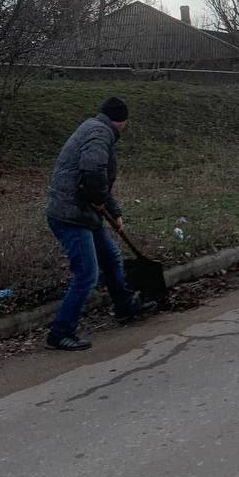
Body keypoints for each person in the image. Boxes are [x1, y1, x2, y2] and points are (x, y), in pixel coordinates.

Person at [45, 97, 156, 351]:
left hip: (82, 212)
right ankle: (59, 333)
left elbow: (100, 181)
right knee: (87, 275)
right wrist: (97, 199)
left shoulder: (94, 127)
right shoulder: (100, 134)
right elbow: (93, 172)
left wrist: (114, 212)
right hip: (70, 216)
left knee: (111, 257)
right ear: (122, 121)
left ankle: (125, 307)